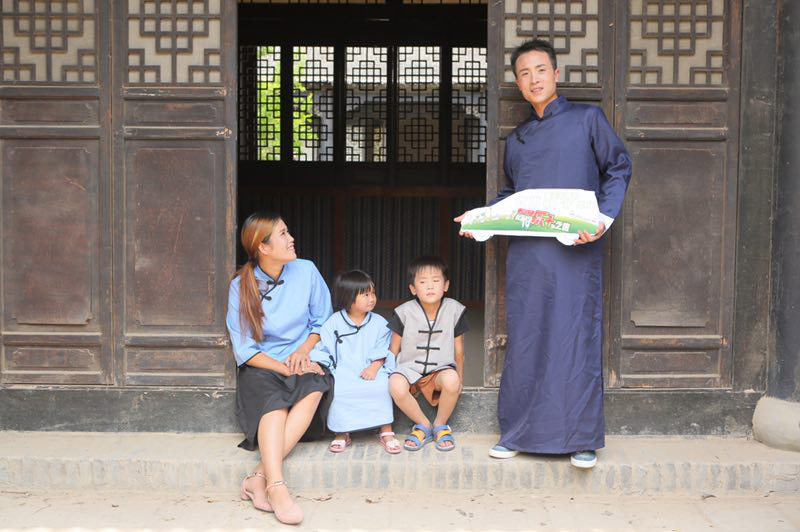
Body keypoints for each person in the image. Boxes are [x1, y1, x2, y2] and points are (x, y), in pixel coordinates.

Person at [456, 39, 632, 469]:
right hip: (529, 254)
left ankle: (581, 438)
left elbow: (619, 168)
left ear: (555, 74)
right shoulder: (517, 140)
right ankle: (517, 432)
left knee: (575, 337)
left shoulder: (587, 120)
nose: (533, 79)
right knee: (528, 337)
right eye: (524, 73)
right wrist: (482, 219)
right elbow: (512, 195)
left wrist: (602, 220)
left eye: (540, 70)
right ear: (518, 83)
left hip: (576, 249)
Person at [226, 211, 333, 525]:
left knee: (314, 387)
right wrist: (283, 369)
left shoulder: (307, 270)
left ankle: (258, 477)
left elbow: (323, 321)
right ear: (263, 247)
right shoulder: (240, 286)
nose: (292, 239)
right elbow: (245, 349)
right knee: (274, 403)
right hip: (263, 364)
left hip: (302, 358)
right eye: (283, 234)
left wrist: (304, 350)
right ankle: (277, 486)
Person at [310, 270, 401, 454]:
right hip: (344, 368)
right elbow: (325, 349)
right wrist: (318, 363)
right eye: (365, 295)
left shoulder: (379, 323)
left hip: (372, 367)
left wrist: (374, 368)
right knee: (340, 388)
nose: (372, 298)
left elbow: (383, 349)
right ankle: (342, 432)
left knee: (382, 386)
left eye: (373, 293)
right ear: (348, 297)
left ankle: (385, 429)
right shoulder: (334, 322)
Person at [387, 256, 469, 452]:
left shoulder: (455, 310)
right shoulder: (403, 312)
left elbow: (459, 350)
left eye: (436, 280)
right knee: (395, 385)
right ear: (413, 289)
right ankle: (423, 424)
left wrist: (460, 380)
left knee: (452, 380)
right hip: (409, 369)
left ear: (446, 285)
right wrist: (388, 375)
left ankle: (440, 425)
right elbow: (393, 349)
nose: (430, 286)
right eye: (423, 282)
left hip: (440, 370)